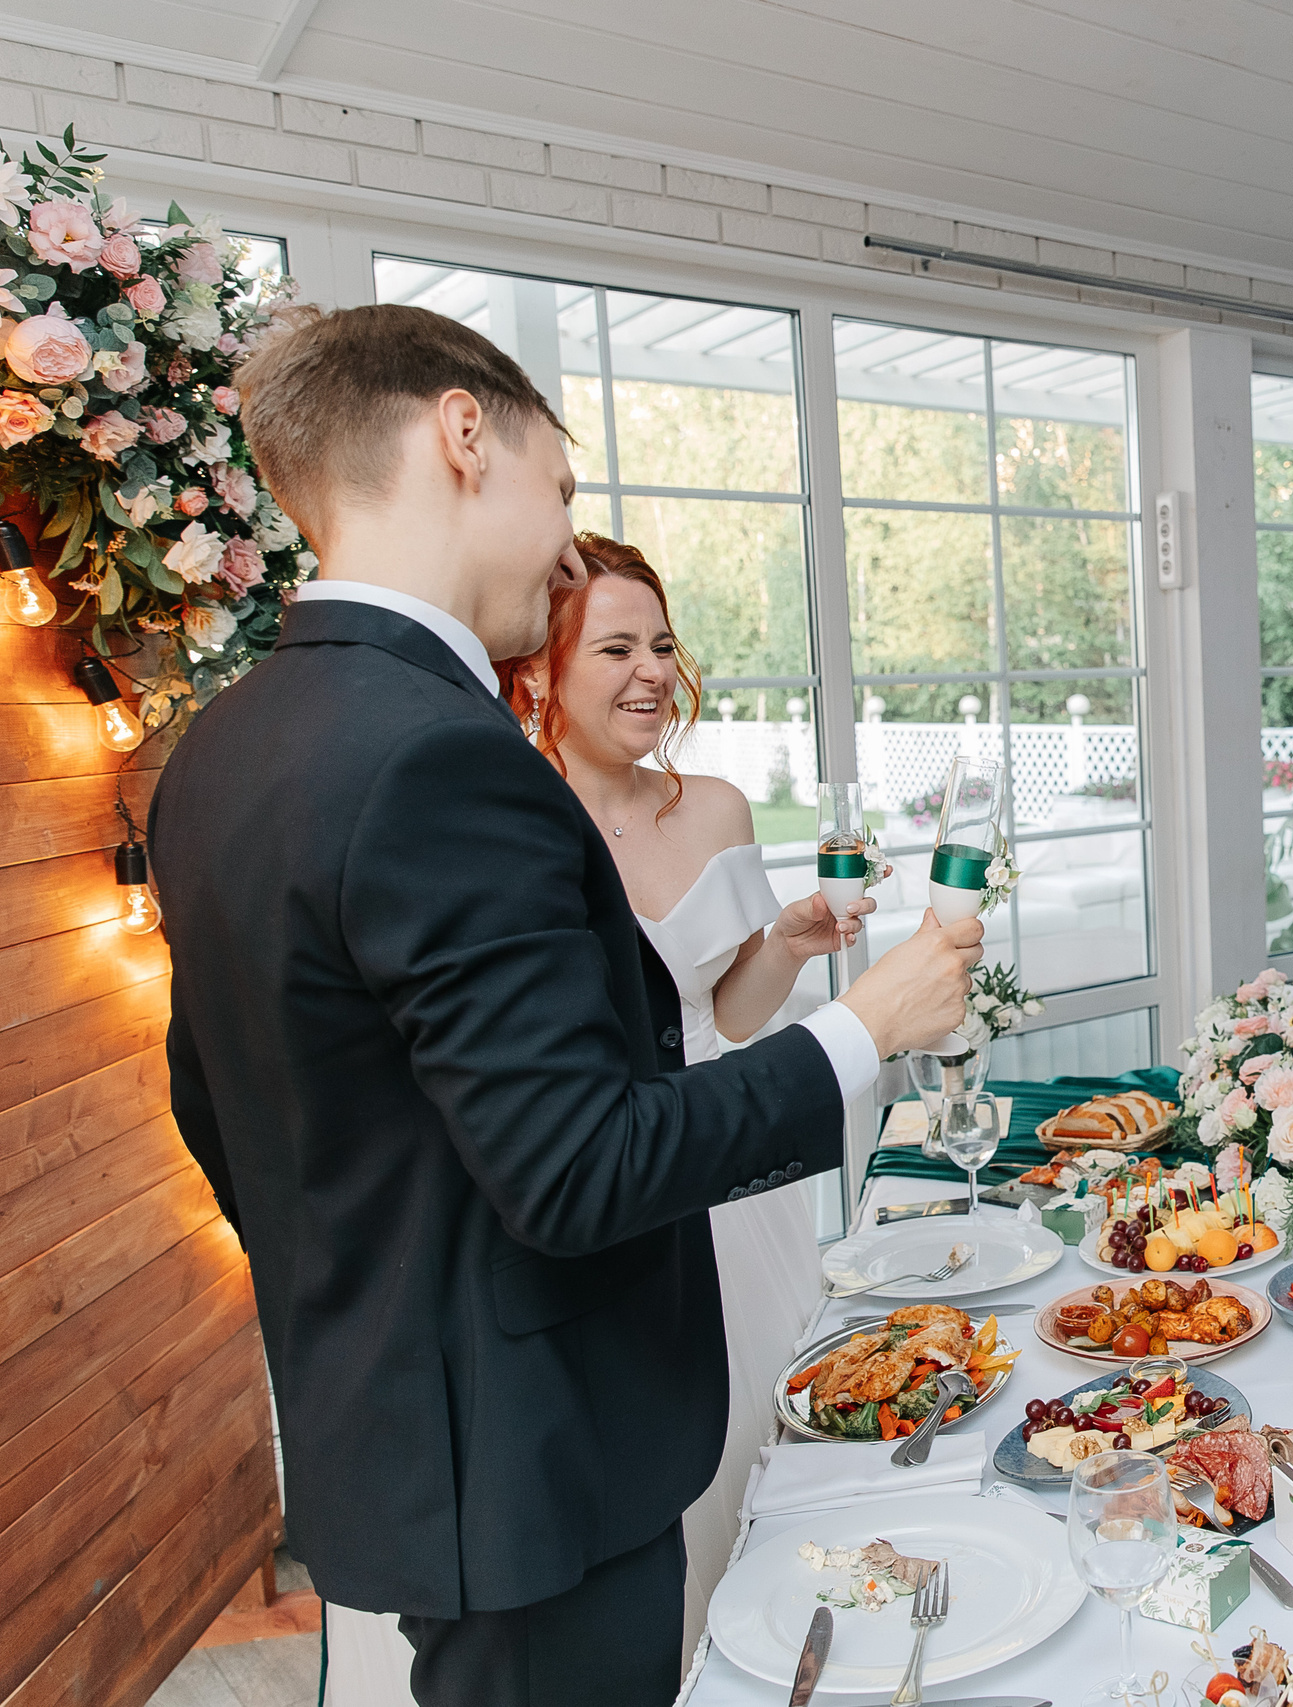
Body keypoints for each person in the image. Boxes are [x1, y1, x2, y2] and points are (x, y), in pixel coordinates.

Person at [151, 304, 982, 1707]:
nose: (562, 545)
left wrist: (383, 1314)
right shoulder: (441, 757)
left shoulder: (221, 746)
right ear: (463, 436)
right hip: (533, 1461)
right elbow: (580, 1165)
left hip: (409, 1442)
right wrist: (868, 1025)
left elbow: (215, 1105)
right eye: (562, 488)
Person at [495, 534, 865, 1657]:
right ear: (543, 667)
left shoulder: (714, 807)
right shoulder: (510, 817)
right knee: (659, 1481)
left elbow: (727, 1018)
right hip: (614, 1178)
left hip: (734, 1180)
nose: (652, 671)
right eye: (616, 648)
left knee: (774, 1450)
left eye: (661, 644)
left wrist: (791, 941)